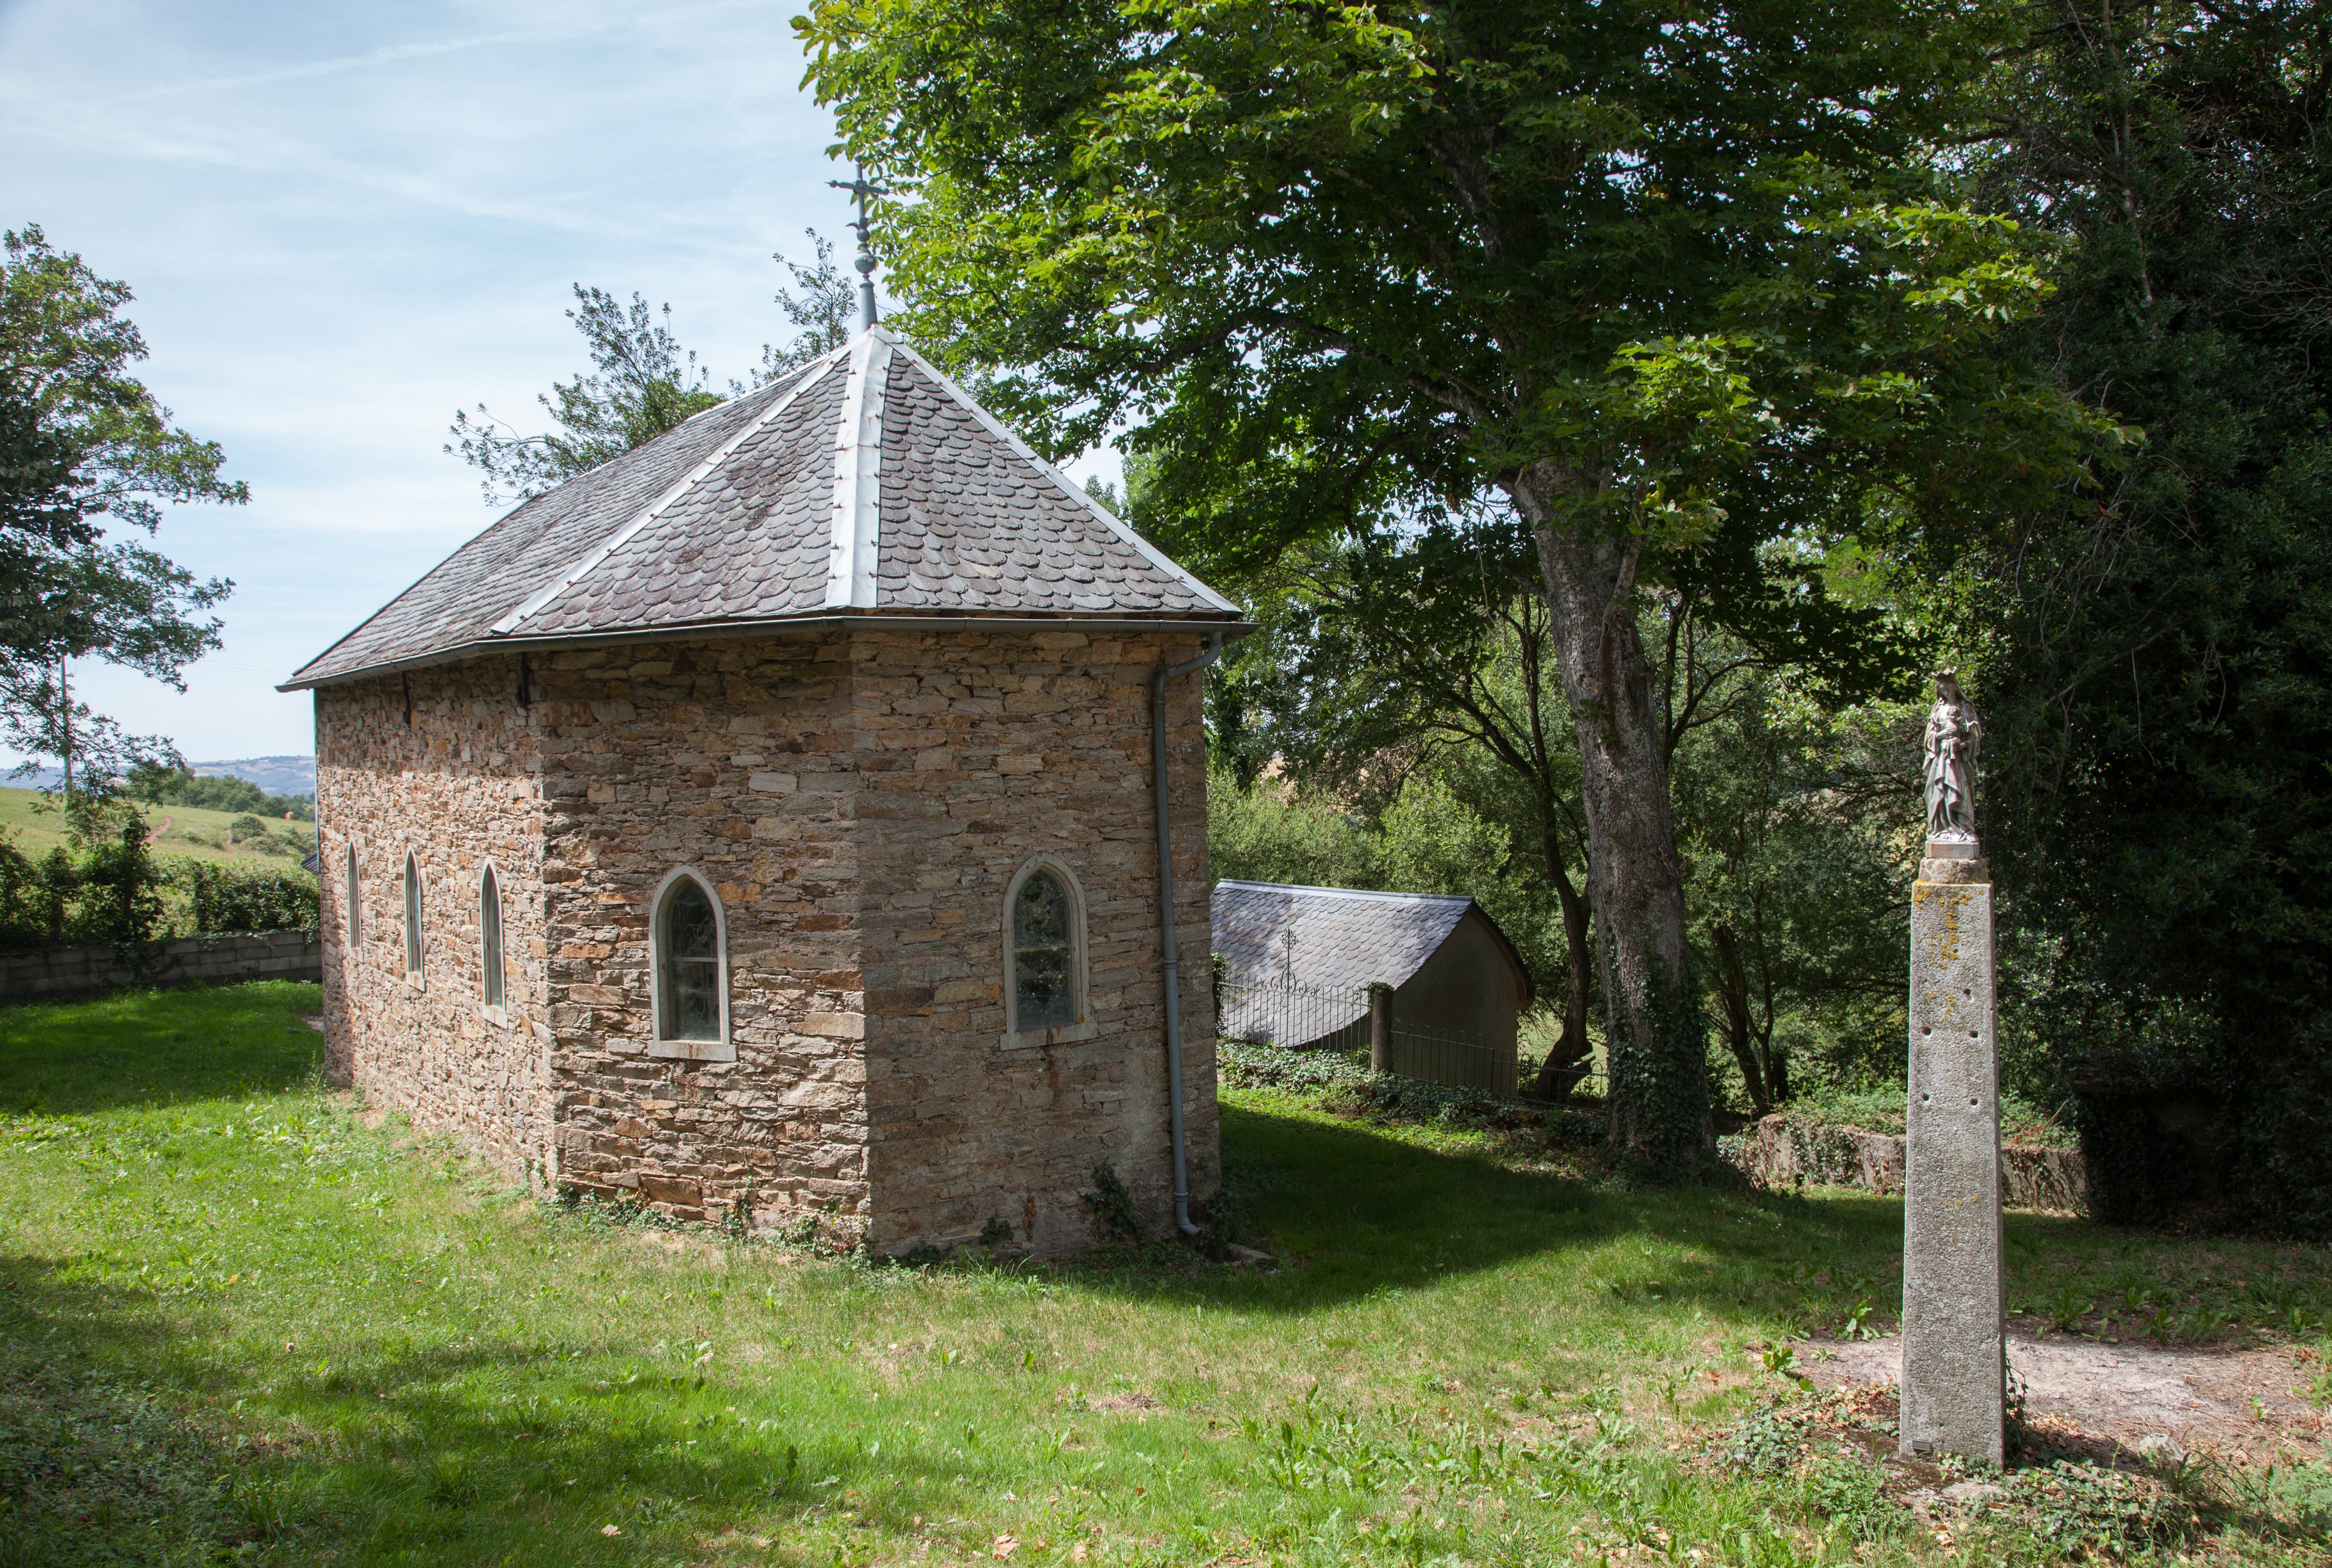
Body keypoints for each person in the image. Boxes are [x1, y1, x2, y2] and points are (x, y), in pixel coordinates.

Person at [1923, 672, 1981, 842]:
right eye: (1943, 689)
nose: (1946, 691)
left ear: (1955, 687)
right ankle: (1941, 829)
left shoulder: (1966, 707)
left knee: (1961, 791)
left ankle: (1964, 828)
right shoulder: (1938, 709)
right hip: (1941, 759)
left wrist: (1964, 744)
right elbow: (1929, 736)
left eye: (1948, 687)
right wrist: (1939, 735)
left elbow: (1975, 734)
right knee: (1939, 791)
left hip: (1959, 760)